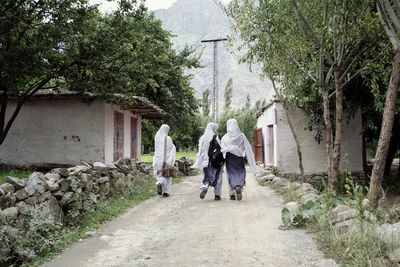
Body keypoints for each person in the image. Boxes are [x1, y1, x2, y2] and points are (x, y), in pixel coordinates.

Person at [221, 119, 260, 201]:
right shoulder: (241, 136)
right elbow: (247, 146)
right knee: (241, 171)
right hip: (239, 158)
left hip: (230, 158)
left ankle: (232, 194)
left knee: (230, 174)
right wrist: (250, 158)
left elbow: (222, 149)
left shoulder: (225, 137)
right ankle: (239, 185)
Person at [193, 122, 223, 201]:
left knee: (207, 175)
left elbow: (200, 150)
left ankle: (206, 185)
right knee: (218, 176)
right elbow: (220, 149)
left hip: (205, 161)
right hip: (215, 160)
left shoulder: (202, 137)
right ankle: (217, 195)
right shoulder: (215, 137)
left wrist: (199, 160)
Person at [152, 124, 176, 197]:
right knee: (167, 175)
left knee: (159, 174)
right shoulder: (168, 138)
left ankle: (159, 181)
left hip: (157, 159)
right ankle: (166, 191)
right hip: (166, 160)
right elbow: (172, 148)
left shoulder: (157, 137)